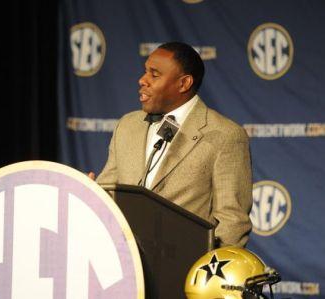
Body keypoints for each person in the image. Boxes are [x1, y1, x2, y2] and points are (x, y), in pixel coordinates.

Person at [92, 41, 253, 247]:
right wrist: (91, 192)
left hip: (185, 269)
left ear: (183, 83)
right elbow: (109, 192)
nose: (142, 80)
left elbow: (232, 223)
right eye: (145, 72)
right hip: (126, 264)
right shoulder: (127, 126)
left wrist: (206, 275)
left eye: (154, 74)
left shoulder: (225, 135)